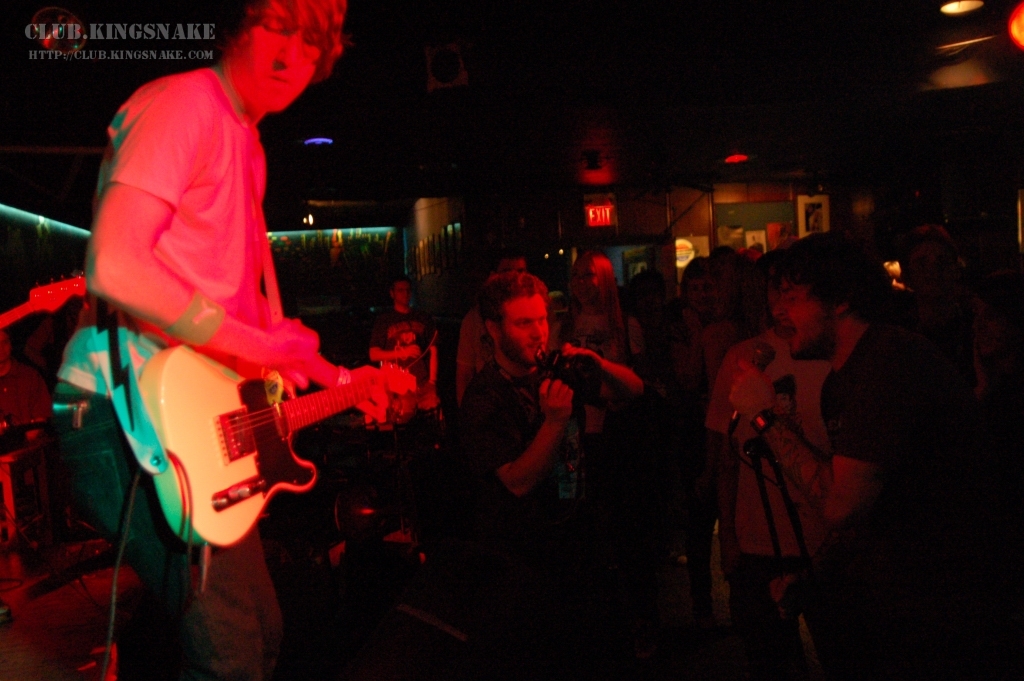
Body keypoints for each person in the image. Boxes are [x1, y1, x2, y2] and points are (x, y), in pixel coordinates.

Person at [51, 1, 363, 678]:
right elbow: (115, 263)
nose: (290, 56)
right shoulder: (185, 104)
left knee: (262, 635)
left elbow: (247, 326)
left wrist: (343, 379)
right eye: (278, 26)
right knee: (232, 654)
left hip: (188, 417)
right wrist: (259, 344)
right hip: (122, 412)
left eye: (311, 43)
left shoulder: (247, 145)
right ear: (238, 26)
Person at [728, 233, 1005, 680]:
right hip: (904, 602)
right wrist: (814, 576)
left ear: (840, 300)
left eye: (793, 297)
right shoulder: (846, 378)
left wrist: (765, 416)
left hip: (942, 607)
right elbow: (864, 512)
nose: (778, 311)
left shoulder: (888, 364)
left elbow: (842, 505)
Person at [460, 269, 643, 657]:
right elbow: (517, 481)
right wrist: (555, 421)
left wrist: (597, 364)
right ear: (493, 329)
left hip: (576, 546)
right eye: (523, 323)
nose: (538, 333)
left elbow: (632, 391)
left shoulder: (553, 369)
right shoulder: (484, 397)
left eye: (542, 320)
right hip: (521, 560)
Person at [707, 254, 831, 680]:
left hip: (823, 540)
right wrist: (728, 538)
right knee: (769, 660)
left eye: (792, 293)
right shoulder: (743, 356)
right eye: (775, 290)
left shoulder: (832, 356)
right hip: (758, 540)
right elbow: (727, 456)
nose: (781, 304)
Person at [455, 251, 527, 405]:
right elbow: (465, 374)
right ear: (494, 275)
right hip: (490, 403)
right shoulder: (474, 318)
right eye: (508, 271)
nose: (516, 277)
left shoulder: (537, 312)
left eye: (521, 271)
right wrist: (465, 411)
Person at [369, 275, 440, 420]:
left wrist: (432, 381)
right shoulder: (384, 321)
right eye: (400, 290)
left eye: (408, 290)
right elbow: (374, 354)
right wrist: (402, 353)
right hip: (397, 387)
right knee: (403, 422)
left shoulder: (423, 317)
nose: (405, 294)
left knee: (432, 421)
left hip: (422, 384)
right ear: (392, 293)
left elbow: (433, 350)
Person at [0, 328, 52, 448]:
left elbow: (41, 417)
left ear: (11, 344)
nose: (0, 348)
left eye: (4, 342)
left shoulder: (30, 376)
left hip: (30, 451)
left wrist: (20, 444)